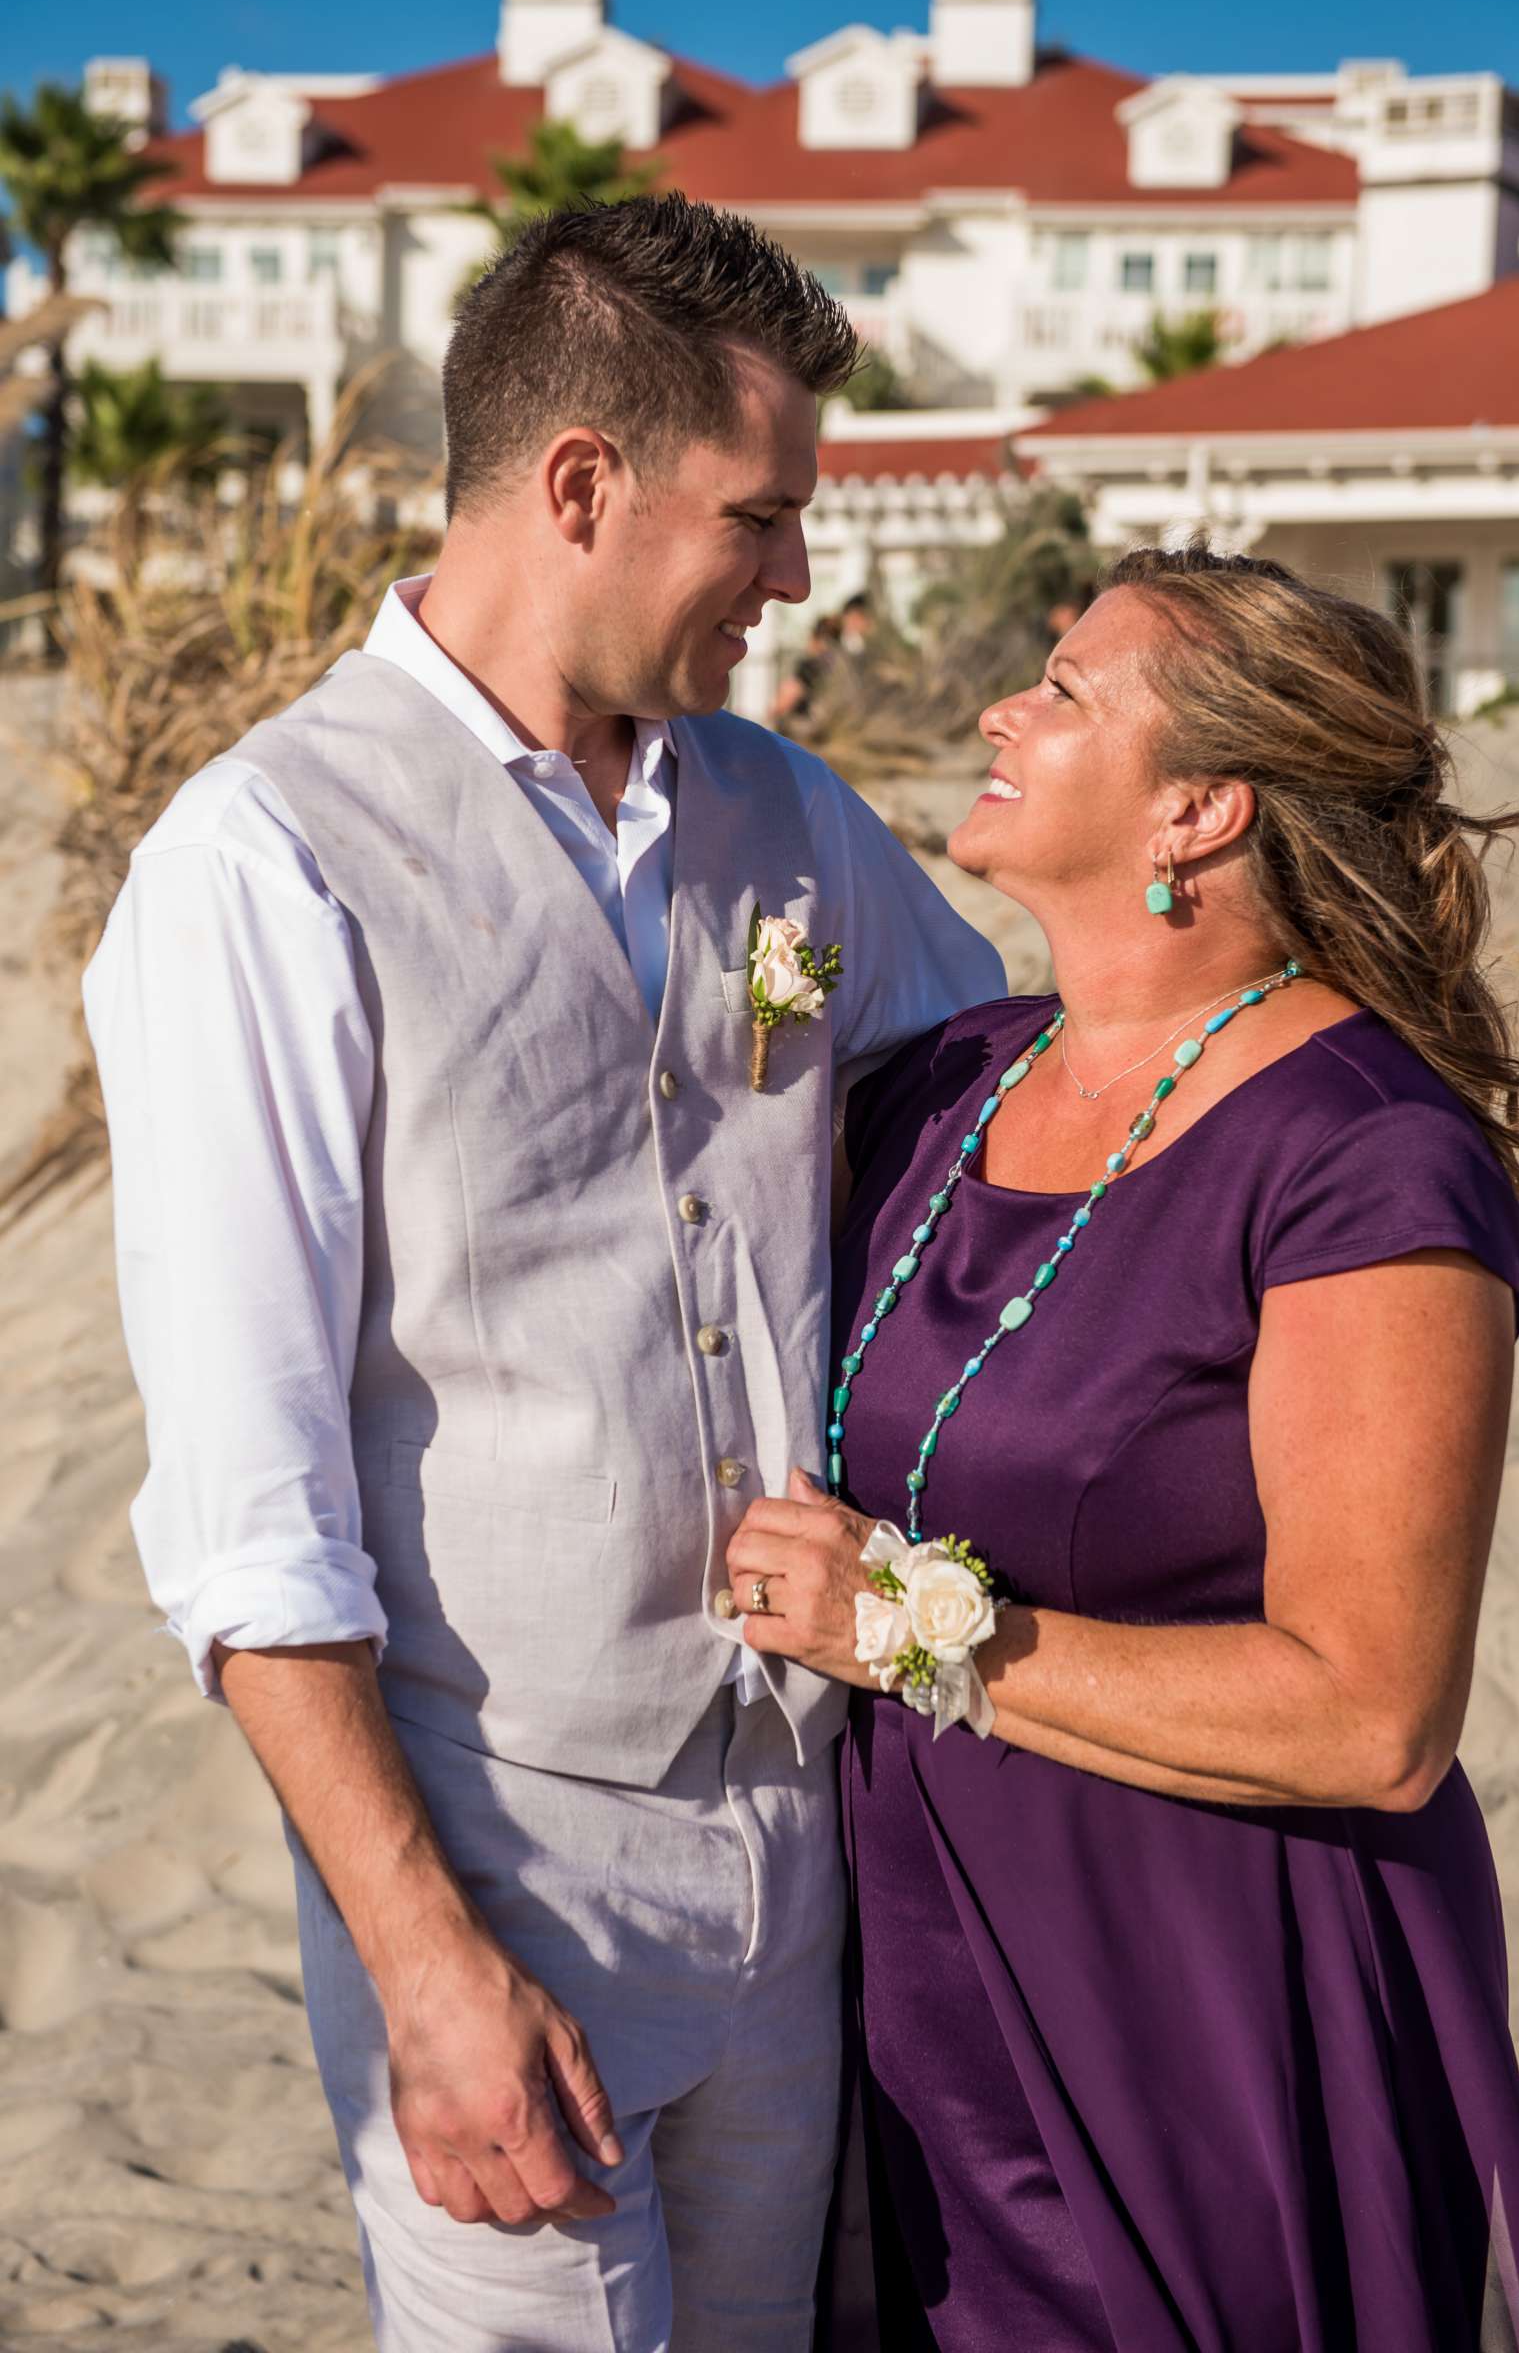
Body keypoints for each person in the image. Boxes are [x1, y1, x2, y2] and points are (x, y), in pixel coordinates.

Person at [83, 193, 1005, 2353]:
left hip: (802, 1838)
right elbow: (250, 1497)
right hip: (499, 1859)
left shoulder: (789, 815)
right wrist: (425, 1960)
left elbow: (996, 1136)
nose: (799, 579)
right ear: (581, 485)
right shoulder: (266, 856)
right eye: (762, 519)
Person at [725, 543, 1519, 2350]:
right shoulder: (938, 1082)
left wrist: (903, 1625)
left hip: (1198, 1990)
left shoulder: (1360, 1157)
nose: (1000, 707)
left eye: (1061, 686)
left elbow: (1372, 1718)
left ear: (1196, 807)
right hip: (917, 1986)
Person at [771, 609, 842, 732]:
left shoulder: (811, 665)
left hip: (804, 728)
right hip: (831, 729)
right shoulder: (836, 663)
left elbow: (789, 695)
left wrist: (774, 713)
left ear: (816, 638)